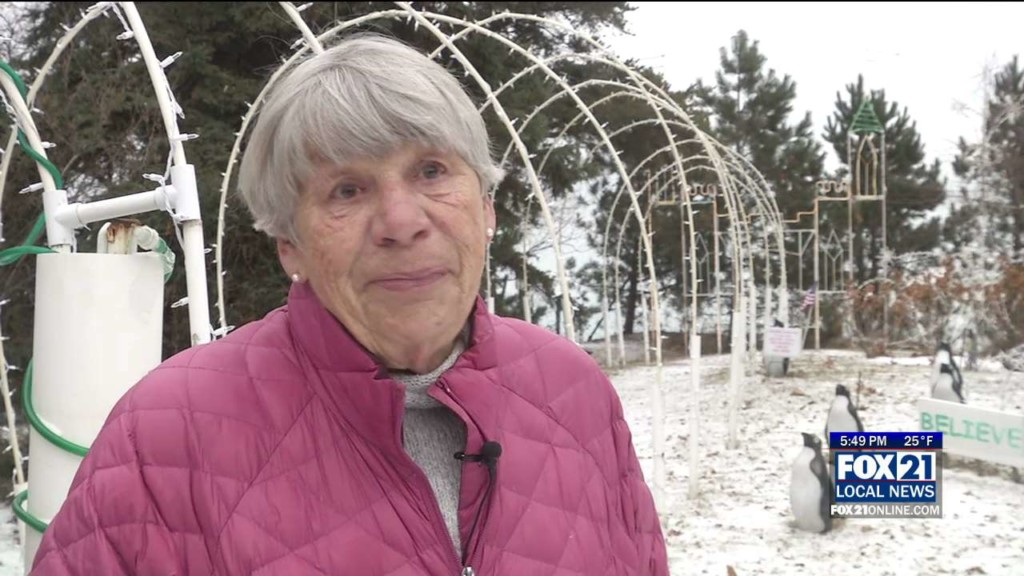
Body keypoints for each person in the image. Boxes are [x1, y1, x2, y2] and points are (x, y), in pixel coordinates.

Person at [31, 34, 668, 575]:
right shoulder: (166, 437)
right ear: (290, 245)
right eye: (346, 189)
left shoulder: (573, 392)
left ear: (487, 207)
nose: (401, 222)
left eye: (431, 171)